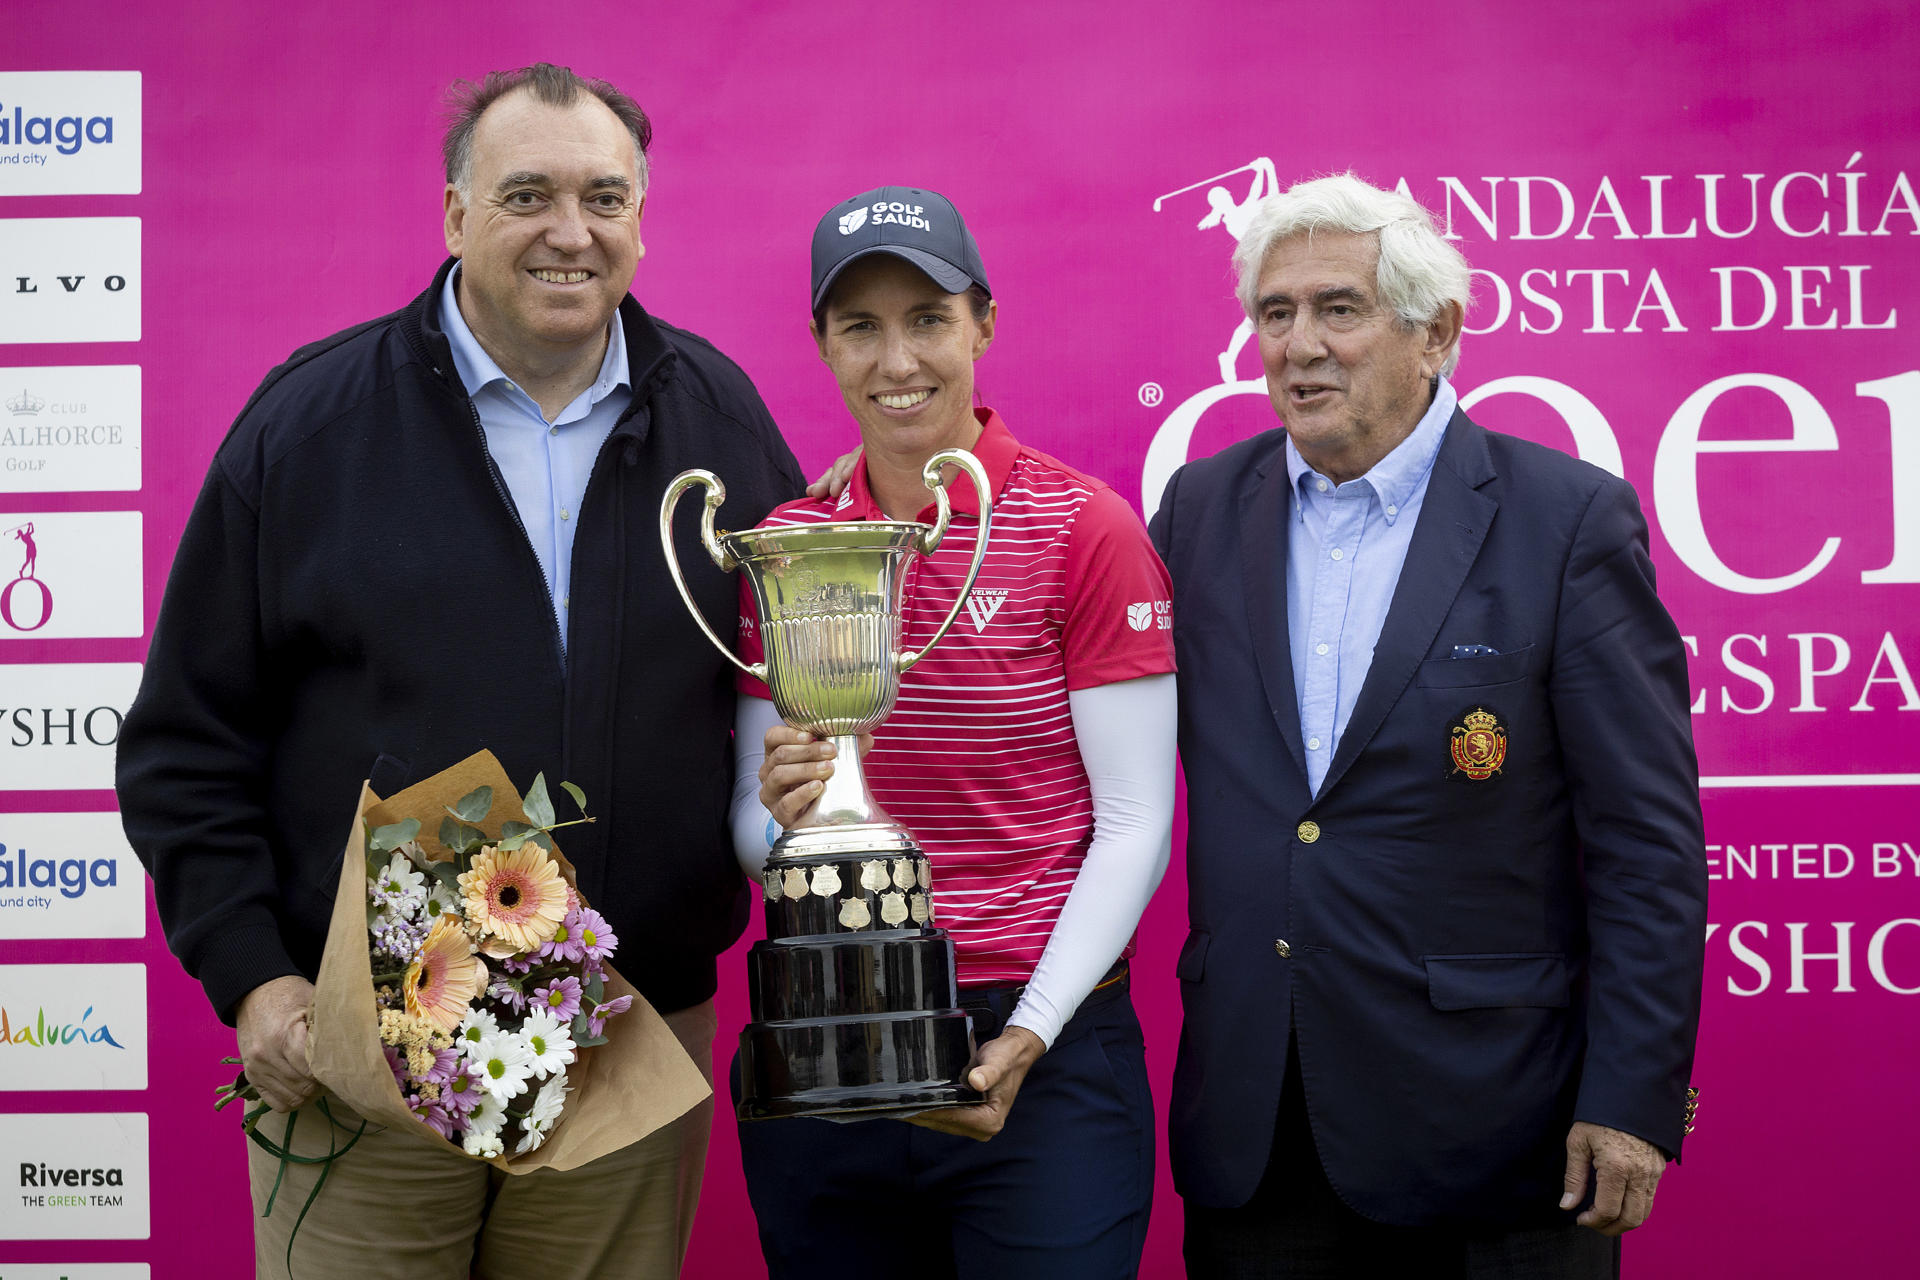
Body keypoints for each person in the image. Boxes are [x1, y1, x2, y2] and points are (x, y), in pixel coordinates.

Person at [115, 63, 802, 1279]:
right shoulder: (309, 428)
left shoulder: (721, 422)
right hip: (372, 1037)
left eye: (604, 197)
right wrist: (254, 978)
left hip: (627, 1036)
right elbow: (186, 743)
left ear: (641, 218)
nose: (569, 232)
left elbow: (782, 701)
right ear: (453, 216)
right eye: (526, 194)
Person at [1148, 174, 1707, 1278]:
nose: (1297, 344)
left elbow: (1647, 839)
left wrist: (1633, 1096)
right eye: (1275, 312)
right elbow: (1056, 687)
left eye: (1338, 309)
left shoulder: (1566, 520)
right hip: (1261, 1135)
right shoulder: (1200, 509)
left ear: (1436, 331)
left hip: (1496, 1140)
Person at [732, 185, 1178, 1279]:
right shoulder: (792, 542)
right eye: (861, 326)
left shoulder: (1085, 528)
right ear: (822, 345)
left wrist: (1027, 1031)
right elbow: (752, 818)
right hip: (833, 1029)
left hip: (1042, 1044)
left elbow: (1134, 823)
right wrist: (786, 820)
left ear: (983, 322)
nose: (898, 359)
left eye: (928, 318)